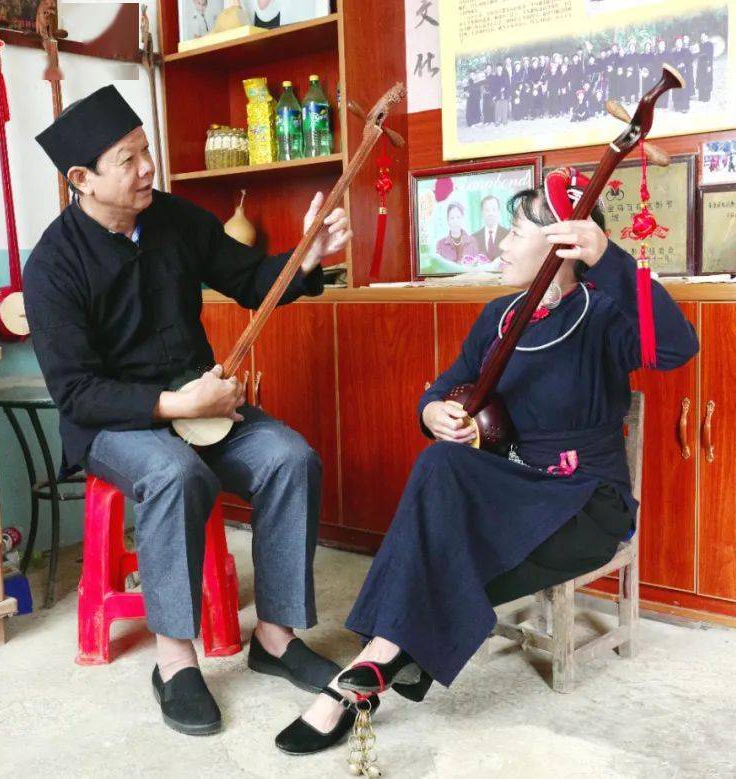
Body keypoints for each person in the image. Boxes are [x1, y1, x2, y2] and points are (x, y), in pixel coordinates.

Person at [273, 177, 698, 755]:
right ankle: (377, 663)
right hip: (510, 492)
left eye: (514, 233)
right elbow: (446, 386)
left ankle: (366, 669)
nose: (499, 245)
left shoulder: (605, 314)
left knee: (432, 562)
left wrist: (608, 257)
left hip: (584, 502)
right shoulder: (500, 316)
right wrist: (433, 412)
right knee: (441, 461)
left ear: (560, 246)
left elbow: (676, 348)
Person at [24, 85, 351, 737]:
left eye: (146, 150)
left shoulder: (175, 218)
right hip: (113, 423)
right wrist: (177, 403)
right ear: (82, 179)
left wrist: (307, 258)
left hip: (202, 404)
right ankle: (175, 660)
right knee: (175, 474)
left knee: (290, 459)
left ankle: (276, 637)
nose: (148, 167)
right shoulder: (52, 265)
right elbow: (77, 393)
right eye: (128, 159)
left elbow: (252, 279)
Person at [472, 195, 509, 261]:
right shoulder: (474, 238)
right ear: (482, 213)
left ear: (498, 211)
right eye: (487, 210)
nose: (490, 213)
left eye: (493, 209)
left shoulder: (508, 235)